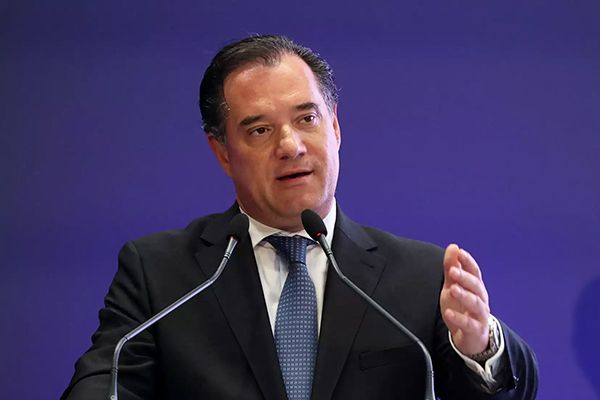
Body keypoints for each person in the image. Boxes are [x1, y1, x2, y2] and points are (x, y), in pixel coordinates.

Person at [61, 35, 538, 399]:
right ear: (222, 152)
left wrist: (480, 346)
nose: (290, 145)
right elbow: (103, 384)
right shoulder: (160, 274)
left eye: (307, 119)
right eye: (260, 130)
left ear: (335, 128)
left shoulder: (421, 276)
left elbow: (515, 392)